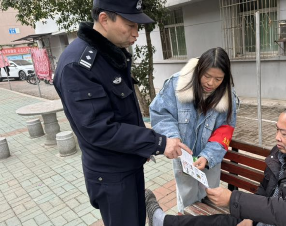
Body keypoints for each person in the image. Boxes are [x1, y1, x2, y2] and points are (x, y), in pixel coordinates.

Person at [53, 0, 191, 225]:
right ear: (105, 19)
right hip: (111, 176)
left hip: (128, 165)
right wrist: (158, 143)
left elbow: (122, 115)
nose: (136, 33)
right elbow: (99, 129)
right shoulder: (79, 65)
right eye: (131, 25)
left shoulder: (109, 54)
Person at [145, 104, 286, 226]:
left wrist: (234, 199)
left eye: (284, 133)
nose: (277, 138)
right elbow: (265, 191)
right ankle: (163, 222)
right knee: (224, 221)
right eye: (277, 130)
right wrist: (251, 218)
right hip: (276, 218)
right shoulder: (283, 151)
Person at [149, 47, 238, 212]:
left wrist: (208, 156)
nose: (211, 83)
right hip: (183, 156)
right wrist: (172, 137)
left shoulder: (228, 96)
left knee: (209, 197)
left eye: (218, 79)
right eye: (207, 76)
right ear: (199, 70)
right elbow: (161, 113)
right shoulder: (177, 84)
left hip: (211, 159)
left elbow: (224, 130)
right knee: (187, 200)